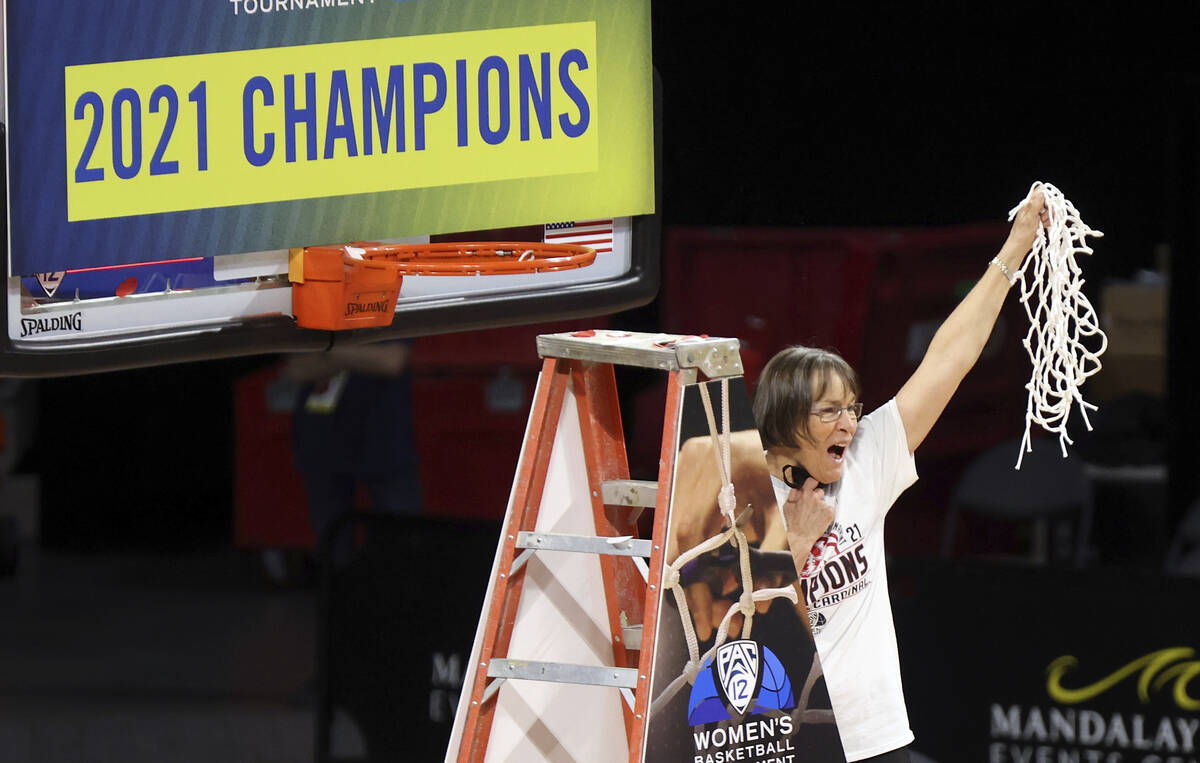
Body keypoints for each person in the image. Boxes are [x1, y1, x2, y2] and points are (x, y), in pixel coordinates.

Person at [754, 189, 1049, 762]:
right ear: (788, 422)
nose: (850, 422)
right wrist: (792, 546)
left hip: (878, 738)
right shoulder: (739, 492)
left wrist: (1014, 250)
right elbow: (724, 636)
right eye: (830, 412)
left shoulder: (867, 458)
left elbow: (948, 358)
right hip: (788, 743)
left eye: (853, 407)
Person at [285, 340, 421, 566]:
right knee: (333, 551)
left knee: (401, 545)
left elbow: (391, 361)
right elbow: (296, 369)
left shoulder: (385, 307)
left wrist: (327, 352)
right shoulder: (318, 311)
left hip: (385, 442)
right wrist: (359, 357)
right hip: (323, 444)